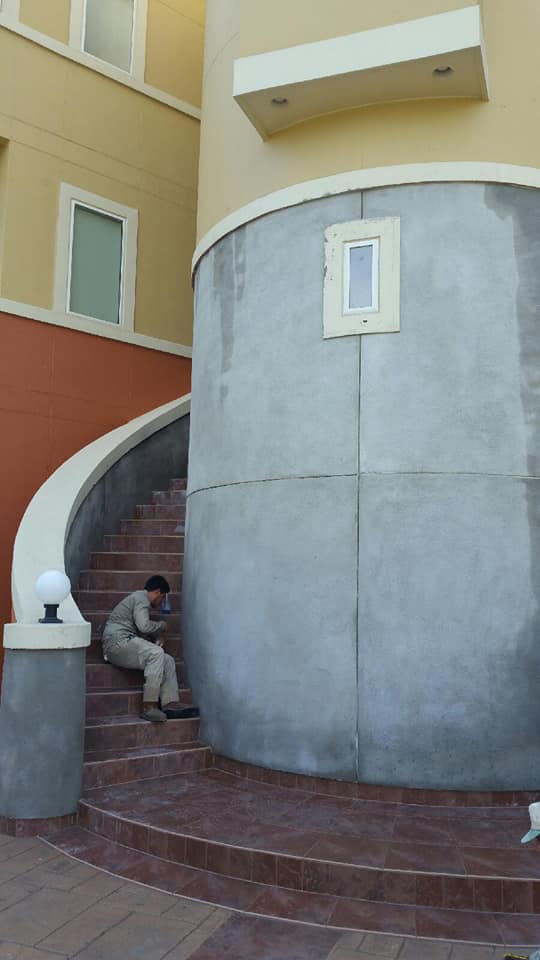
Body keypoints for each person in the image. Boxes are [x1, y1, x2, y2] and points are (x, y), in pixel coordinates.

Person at [102, 575, 199, 723]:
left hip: (126, 642)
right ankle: (149, 706)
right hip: (116, 644)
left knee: (168, 660)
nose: (161, 604)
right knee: (156, 652)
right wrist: (162, 625)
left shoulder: (139, 600)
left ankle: (170, 704)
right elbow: (144, 626)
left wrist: (158, 636)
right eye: (162, 599)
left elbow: (141, 630)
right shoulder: (141, 599)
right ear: (158, 592)